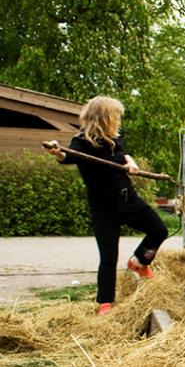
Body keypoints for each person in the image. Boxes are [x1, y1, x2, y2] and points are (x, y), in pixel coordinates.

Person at [44, 96, 168, 316]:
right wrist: (56, 151)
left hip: (127, 199)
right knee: (108, 256)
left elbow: (123, 153)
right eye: (116, 116)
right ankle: (105, 303)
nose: (119, 120)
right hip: (103, 208)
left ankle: (139, 261)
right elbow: (67, 156)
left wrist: (130, 162)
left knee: (159, 230)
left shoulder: (114, 138)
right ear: (105, 118)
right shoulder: (81, 142)